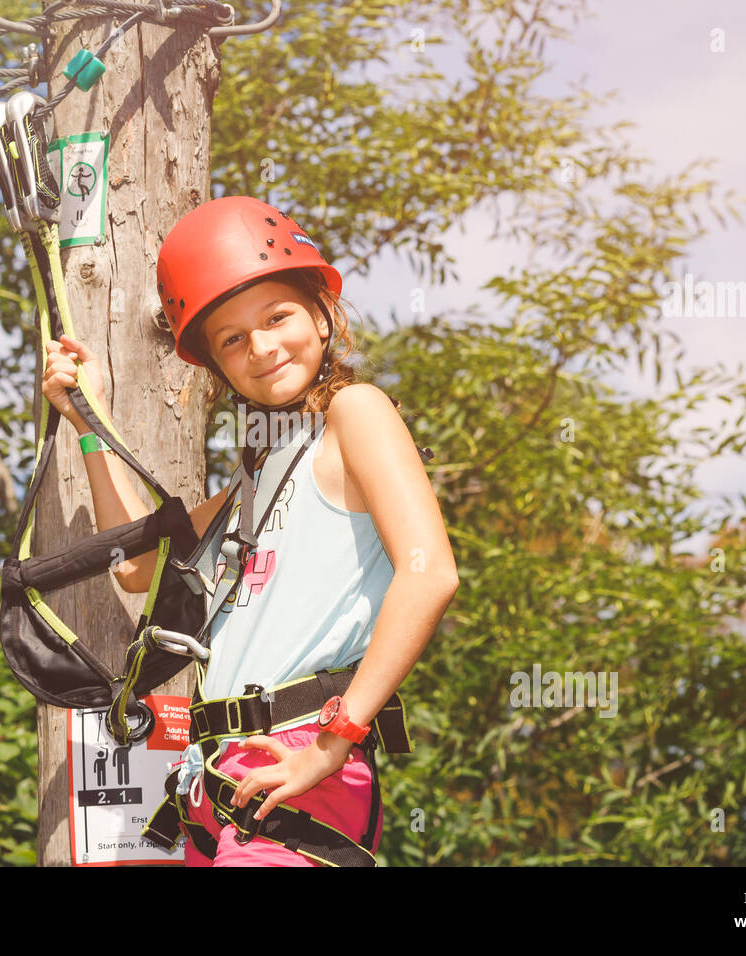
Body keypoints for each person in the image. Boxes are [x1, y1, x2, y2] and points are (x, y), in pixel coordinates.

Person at [40, 195, 458, 866]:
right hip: (218, 782)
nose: (261, 346)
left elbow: (430, 571)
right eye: (232, 339)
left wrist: (337, 737)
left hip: (297, 763)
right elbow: (134, 567)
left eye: (278, 316)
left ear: (323, 317)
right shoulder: (256, 481)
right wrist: (87, 422)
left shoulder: (357, 413)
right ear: (217, 365)